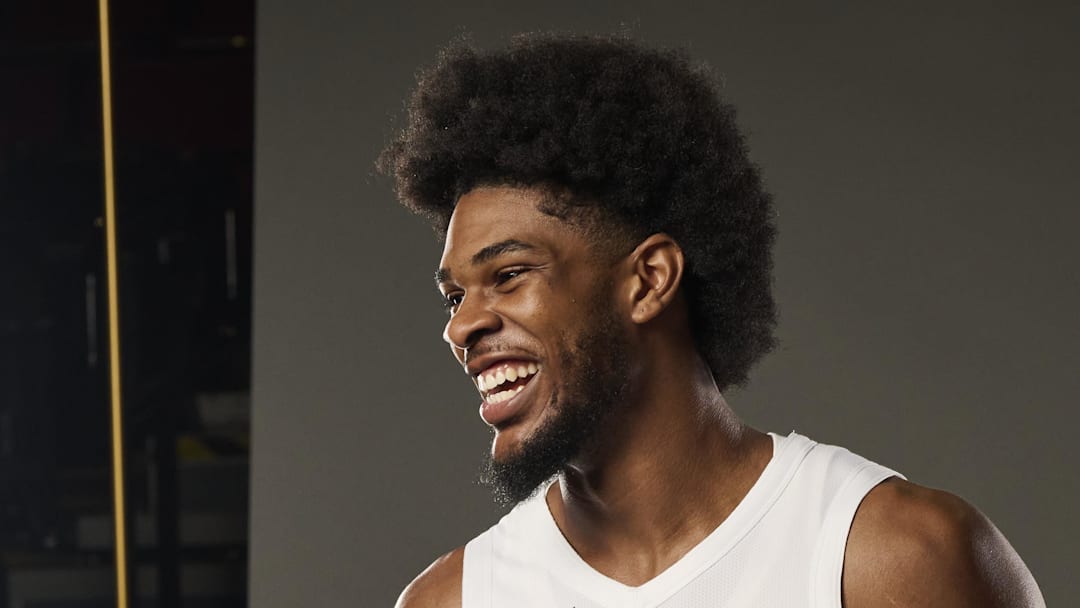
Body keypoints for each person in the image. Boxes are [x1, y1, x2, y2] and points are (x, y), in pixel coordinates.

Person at [378, 34, 1044, 607]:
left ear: (649, 281)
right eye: (454, 297)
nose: (462, 327)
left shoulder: (892, 558)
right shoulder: (454, 599)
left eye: (508, 276)